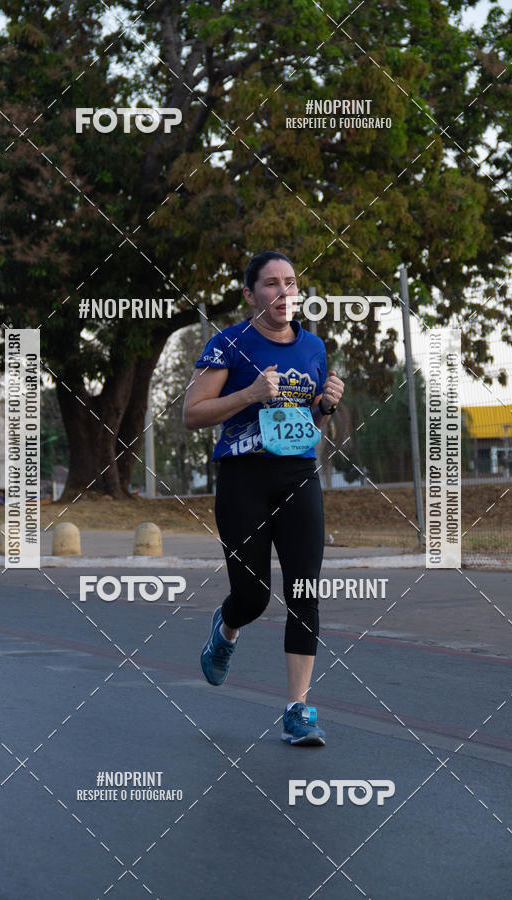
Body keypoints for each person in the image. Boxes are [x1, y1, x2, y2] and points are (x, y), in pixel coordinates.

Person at [183, 251, 344, 746]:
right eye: (271, 284)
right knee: (252, 597)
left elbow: (303, 417)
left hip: (298, 475)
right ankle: (227, 626)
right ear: (251, 294)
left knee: (303, 592)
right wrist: (249, 394)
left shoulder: (313, 346)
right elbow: (193, 413)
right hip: (243, 479)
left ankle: (298, 709)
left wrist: (323, 405)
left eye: (290, 283)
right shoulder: (227, 343)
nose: (282, 292)